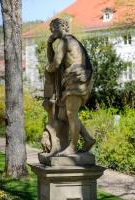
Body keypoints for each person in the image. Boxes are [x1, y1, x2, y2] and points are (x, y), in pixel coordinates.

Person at [44, 18, 95, 156]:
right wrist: (49, 44)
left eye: (52, 27)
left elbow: (55, 63)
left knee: (71, 114)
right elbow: (56, 62)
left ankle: (72, 147)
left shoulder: (65, 41)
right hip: (73, 80)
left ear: (61, 27)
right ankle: (88, 139)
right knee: (66, 115)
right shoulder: (71, 40)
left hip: (75, 79)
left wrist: (47, 69)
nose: (51, 30)